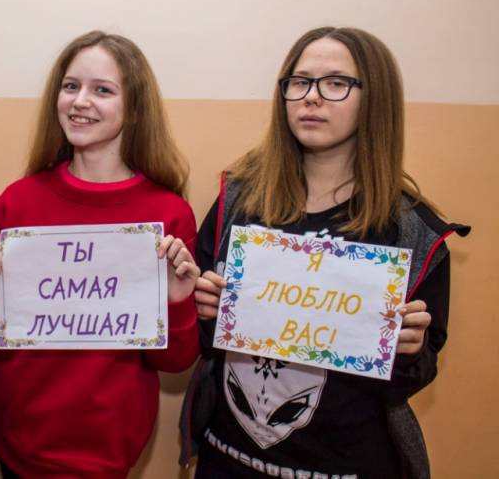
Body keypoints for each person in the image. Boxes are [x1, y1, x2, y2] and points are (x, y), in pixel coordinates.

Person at [179, 27, 470, 478]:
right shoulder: (239, 202)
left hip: (348, 466)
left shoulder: (410, 231)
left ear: (375, 99)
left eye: (336, 83)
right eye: (299, 82)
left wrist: (408, 351)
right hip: (227, 460)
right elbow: (200, 340)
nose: (311, 97)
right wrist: (200, 307)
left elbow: (410, 380)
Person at [0, 30, 200, 478]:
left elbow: (175, 362)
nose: (80, 101)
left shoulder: (168, 214)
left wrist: (179, 301)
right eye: (71, 86)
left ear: (134, 107)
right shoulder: (17, 203)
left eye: (102, 90)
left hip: (110, 448)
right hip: (19, 440)